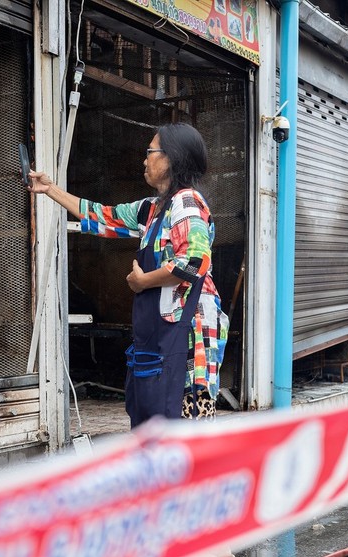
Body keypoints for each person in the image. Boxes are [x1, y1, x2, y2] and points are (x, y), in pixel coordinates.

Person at [27, 123, 229, 428]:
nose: (144, 160)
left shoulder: (187, 203)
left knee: (187, 424)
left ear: (171, 158)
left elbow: (194, 263)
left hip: (189, 335)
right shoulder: (151, 209)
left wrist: (143, 281)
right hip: (161, 334)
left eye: (150, 152)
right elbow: (101, 215)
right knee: (154, 422)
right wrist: (50, 189)